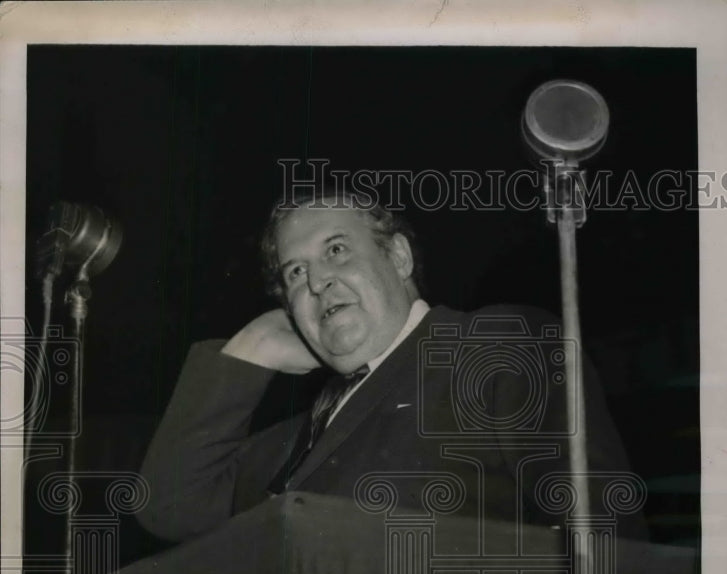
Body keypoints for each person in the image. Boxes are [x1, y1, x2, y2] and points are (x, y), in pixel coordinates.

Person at [137, 192, 646, 543]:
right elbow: (169, 504)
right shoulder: (296, 440)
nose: (317, 283)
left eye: (336, 250)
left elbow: (600, 531)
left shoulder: (491, 346)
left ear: (399, 258)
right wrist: (252, 350)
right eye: (296, 273)